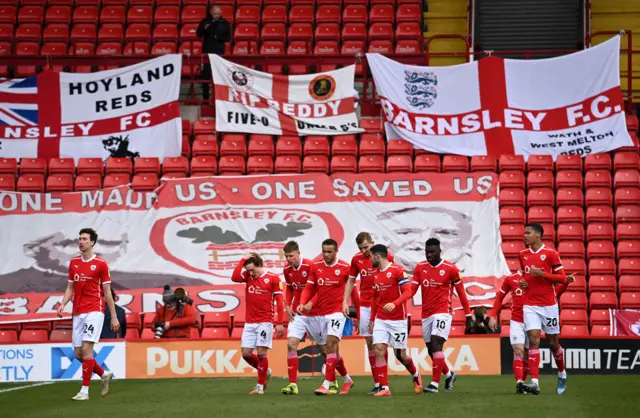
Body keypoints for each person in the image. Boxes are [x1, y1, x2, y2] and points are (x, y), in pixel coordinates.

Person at [281, 240, 359, 395]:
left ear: (337, 251)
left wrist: (357, 314)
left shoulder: (344, 268)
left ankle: (327, 384)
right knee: (299, 345)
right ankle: (345, 380)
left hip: (336, 311)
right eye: (324, 251)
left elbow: (353, 292)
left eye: (329, 252)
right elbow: (309, 287)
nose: (326, 254)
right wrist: (301, 303)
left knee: (330, 345)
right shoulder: (316, 266)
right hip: (314, 313)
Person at [56, 228, 119, 401]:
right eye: (80, 238)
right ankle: (104, 373)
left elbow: (107, 293)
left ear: (92, 242)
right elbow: (70, 287)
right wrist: (63, 304)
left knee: (86, 349)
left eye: (84, 239)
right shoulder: (73, 263)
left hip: (95, 309)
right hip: (78, 311)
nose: (81, 241)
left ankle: (84, 391)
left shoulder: (101, 264)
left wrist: (113, 316)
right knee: (78, 354)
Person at [488, 271, 575, 394]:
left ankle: (529, 381)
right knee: (518, 350)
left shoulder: (539, 278)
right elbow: (499, 297)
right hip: (517, 320)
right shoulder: (511, 279)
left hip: (533, 321)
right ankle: (520, 383)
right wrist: (493, 315)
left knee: (530, 352)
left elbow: (554, 294)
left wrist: (565, 283)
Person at [411, 238, 473, 393]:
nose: (429, 255)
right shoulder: (420, 268)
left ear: (440, 251)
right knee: (431, 349)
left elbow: (461, 293)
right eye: (427, 252)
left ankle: (434, 384)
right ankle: (449, 374)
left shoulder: (451, 269)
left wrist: (468, 314)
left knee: (436, 343)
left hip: (443, 312)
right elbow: (411, 290)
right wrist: (397, 302)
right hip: (426, 314)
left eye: (432, 252)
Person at [517, 223, 568, 395]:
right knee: (533, 340)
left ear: (537, 235)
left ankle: (561, 373)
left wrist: (543, 274)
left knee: (553, 343)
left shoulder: (551, 254)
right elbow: (525, 276)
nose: (524, 235)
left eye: (527, 233)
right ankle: (535, 382)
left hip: (549, 305)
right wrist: (523, 283)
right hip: (530, 304)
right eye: (524, 232)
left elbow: (562, 279)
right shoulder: (522, 254)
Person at [342, 232, 395, 394]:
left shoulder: (385, 256)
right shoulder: (356, 259)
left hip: (382, 305)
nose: (364, 251)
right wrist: (345, 301)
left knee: (382, 345)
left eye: (366, 247)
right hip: (365, 306)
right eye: (361, 248)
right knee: (371, 343)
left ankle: (385, 381)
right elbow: (351, 281)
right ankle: (378, 382)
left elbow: (393, 276)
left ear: (373, 243)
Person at [367, 244, 422, 397]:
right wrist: (372, 319)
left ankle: (416, 374)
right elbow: (374, 298)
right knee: (378, 349)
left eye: (371, 256)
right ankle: (384, 387)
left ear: (377, 256)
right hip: (381, 319)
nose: (370, 259)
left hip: (398, 320)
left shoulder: (398, 271)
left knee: (401, 355)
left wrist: (395, 303)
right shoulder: (375, 273)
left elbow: (408, 292)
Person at [231, 253, 285, 395]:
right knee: (246, 354)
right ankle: (265, 371)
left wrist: (280, 323)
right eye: (248, 270)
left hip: (265, 322)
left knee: (261, 353)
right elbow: (235, 277)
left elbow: (280, 302)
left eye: (252, 269)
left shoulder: (273, 278)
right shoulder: (248, 277)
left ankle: (260, 387)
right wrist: (242, 259)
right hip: (249, 323)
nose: (250, 273)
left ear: (259, 265)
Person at [196, 4, 231, 101]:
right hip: (207, 53)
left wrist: (218, 38)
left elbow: (228, 38)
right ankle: (206, 99)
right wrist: (204, 28)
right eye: (215, 14)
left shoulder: (224, 23)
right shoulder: (205, 22)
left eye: (219, 13)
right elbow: (198, 34)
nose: (217, 15)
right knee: (206, 77)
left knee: (220, 77)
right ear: (211, 12)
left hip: (220, 54)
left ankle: (220, 99)